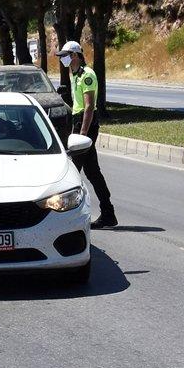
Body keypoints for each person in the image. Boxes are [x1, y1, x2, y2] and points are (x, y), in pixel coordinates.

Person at [60, 40, 117, 229]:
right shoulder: (74, 74)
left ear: (75, 55)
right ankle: (108, 212)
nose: (63, 60)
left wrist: (83, 134)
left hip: (86, 126)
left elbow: (89, 107)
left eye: (65, 56)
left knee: (72, 171)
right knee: (92, 172)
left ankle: (68, 215)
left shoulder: (87, 75)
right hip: (78, 122)